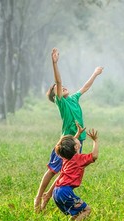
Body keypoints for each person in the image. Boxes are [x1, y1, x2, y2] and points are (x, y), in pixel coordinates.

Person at [34, 47, 103, 212]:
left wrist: (94, 74)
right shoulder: (61, 102)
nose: (63, 87)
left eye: (63, 86)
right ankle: (39, 196)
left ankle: (49, 195)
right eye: (58, 88)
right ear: (55, 95)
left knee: (68, 169)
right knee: (52, 170)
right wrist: (54, 63)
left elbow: (85, 87)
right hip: (66, 142)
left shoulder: (73, 98)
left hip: (78, 140)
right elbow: (58, 81)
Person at [53, 127, 99, 221]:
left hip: (56, 191)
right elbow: (94, 156)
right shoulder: (79, 159)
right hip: (65, 192)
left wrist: (78, 133)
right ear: (76, 147)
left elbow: (67, 146)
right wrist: (95, 141)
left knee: (77, 212)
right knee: (87, 210)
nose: (77, 139)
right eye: (76, 139)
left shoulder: (66, 157)